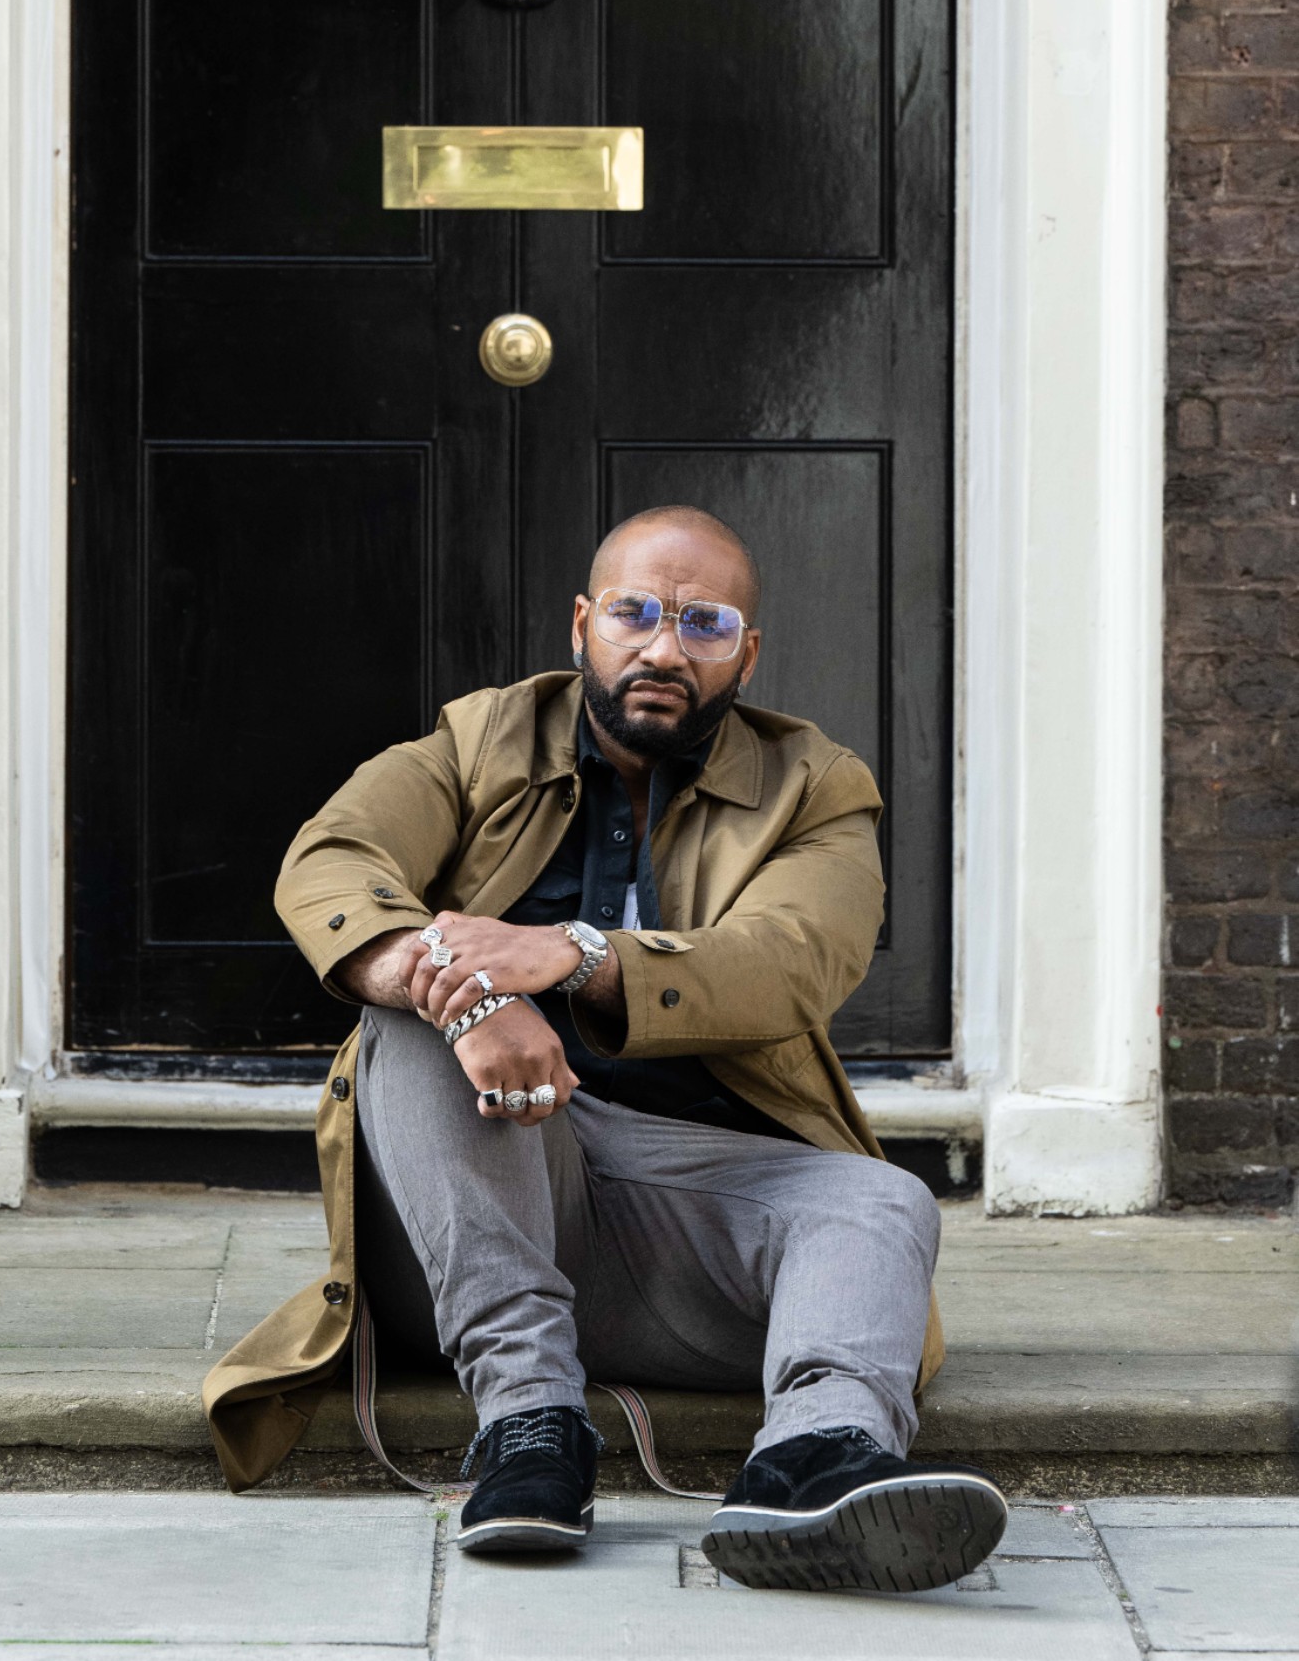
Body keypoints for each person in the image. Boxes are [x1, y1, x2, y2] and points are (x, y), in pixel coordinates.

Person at [203, 505, 1006, 1591]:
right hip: (471, 1201)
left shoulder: (815, 786)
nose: (665, 649)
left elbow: (794, 959)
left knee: (882, 1203)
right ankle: (531, 1424)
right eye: (635, 613)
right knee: (407, 1005)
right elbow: (331, 863)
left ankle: (815, 1468)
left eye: (705, 623)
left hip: (689, 1214)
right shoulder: (478, 740)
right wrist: (469, 1000)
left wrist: (575, 956)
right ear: (584, 623)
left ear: (747, 652)